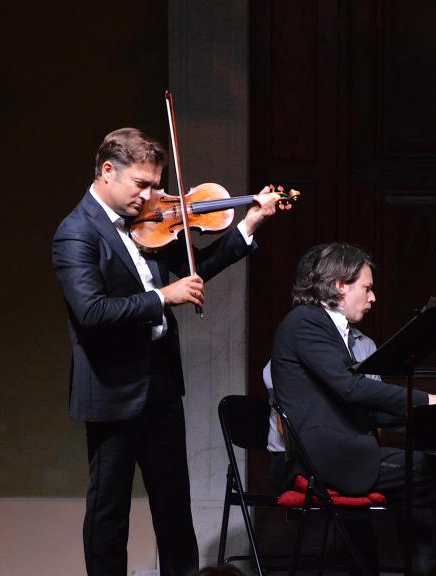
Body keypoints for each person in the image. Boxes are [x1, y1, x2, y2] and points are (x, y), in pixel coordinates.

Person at [52, 127, 281, 576]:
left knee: (175, 511)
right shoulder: (76, 233)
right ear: (107, 171)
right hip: (113, 390)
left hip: (158, 382)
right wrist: (162, 297)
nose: (153, 195)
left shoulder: (149, 225)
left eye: (157, 184)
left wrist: (248, 226)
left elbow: (193, 274)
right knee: (108, 515)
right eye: (142, 184)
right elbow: (92, 311)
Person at [269, 242, 436, 576]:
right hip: (331, 459)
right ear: (341, 285)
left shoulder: (324, 327)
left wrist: (425, 411)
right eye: (367, 288)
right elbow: (351, 389)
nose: (373, 298)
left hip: (344, 451)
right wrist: (426, 401)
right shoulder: (305, 323)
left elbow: (354, 402)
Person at [261, 243, 381, 483]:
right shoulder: (301, 330)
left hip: (347, 446)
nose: (372, 298)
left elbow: (372, 407)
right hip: (304, 454)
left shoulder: (364, 344)